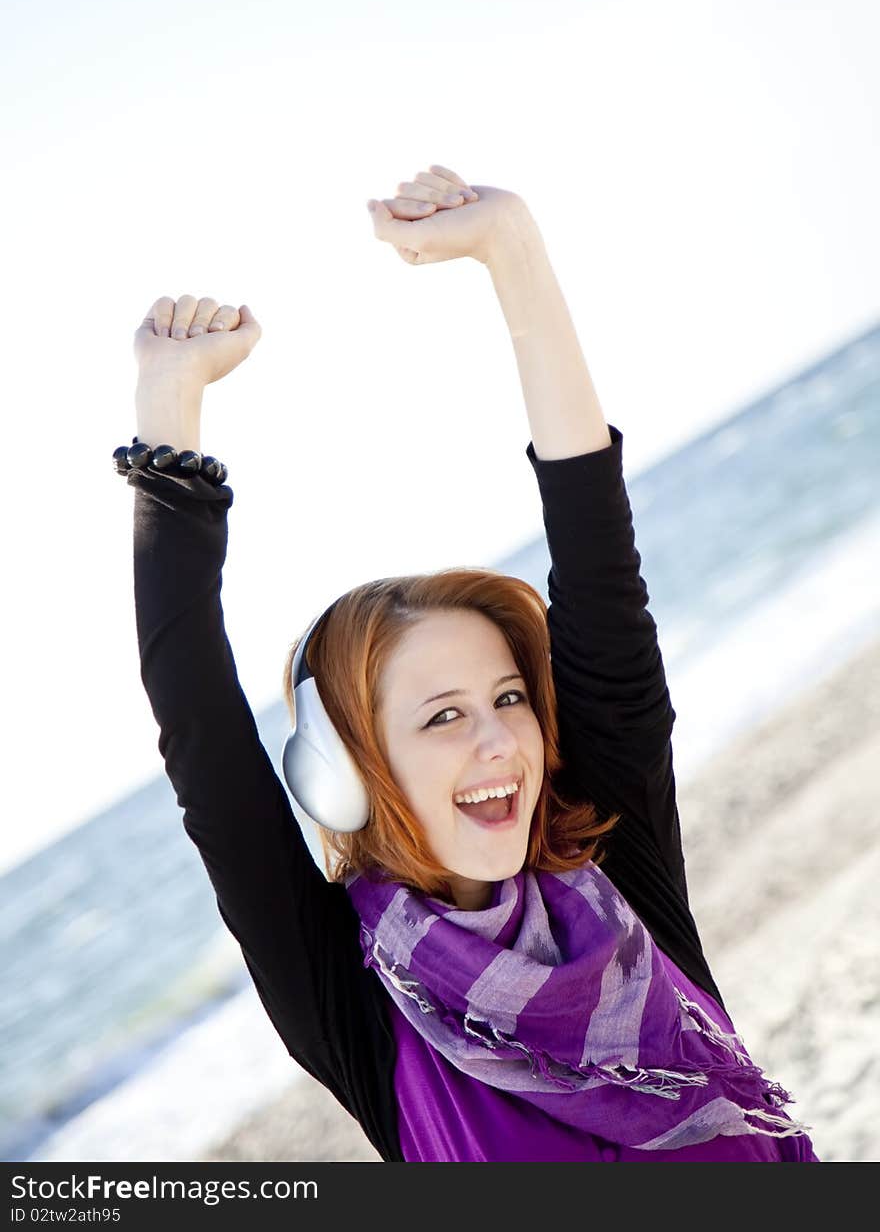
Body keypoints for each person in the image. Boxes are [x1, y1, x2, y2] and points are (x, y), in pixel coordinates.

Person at [117, 163, 819, 1162]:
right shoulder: (352, 1001)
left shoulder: (618, 879)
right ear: (349, 771)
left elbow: (597, 561)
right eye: (440, 716)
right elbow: (197, 730)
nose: (498, 737)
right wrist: (167, 410)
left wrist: (512, 252)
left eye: (505, 698)